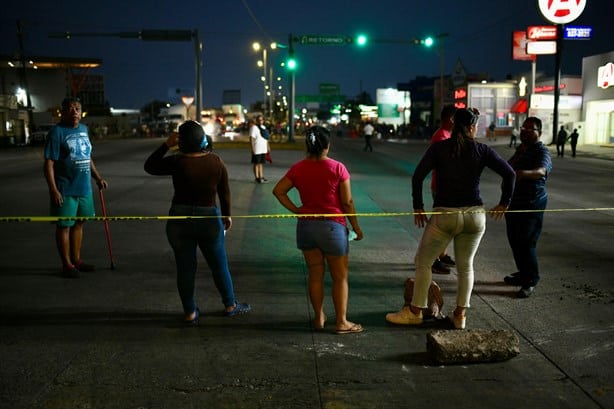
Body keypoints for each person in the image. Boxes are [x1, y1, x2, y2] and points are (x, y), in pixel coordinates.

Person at [385, 108, 515, 329]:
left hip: (445, 214)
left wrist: (418, 206)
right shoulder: (482, 150)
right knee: (466, 266)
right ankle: (459, 316)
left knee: (423, 261)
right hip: (475, 216)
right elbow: (510, 173)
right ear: (472, 127)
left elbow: (418, 176)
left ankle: (415, 311)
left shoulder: (439, 148)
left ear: (453, 127)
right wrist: (504, 202)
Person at [144, 120, 250, 324]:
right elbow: (224, 193)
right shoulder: (216, 161)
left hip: (179, 220)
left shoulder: (177, 161)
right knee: (219, 264)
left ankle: (190, 312)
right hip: (209, 220)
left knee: (185, 267)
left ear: (181, 141)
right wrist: (227, 215)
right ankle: (230, 305)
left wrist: (166, 145)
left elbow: (150, 166)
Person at [272, 126, 365, 334]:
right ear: (327, 145)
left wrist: (297, 210)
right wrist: (356, 228)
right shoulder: (338, 168)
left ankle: (319, 318)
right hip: (332, 228)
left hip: (306, 228)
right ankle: (341, 322)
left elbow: (278, 191)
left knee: (315, 275)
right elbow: (348, 202)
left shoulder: (298, 168)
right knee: (340, 277)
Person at [43, 97, 108, 278]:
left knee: (79, 224)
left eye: (77, 109)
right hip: (65, 189)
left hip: (84, 188)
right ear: (62, 112)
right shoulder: (57, 132)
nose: (74, 112)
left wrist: (98, 177)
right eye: (70, 109)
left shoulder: (84, 129)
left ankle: (76, 260)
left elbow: (87, 157)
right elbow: (49, 164)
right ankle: (66, 265)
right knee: (64, 226)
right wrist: (53, 190)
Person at [503, 117, 552, 298]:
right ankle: (523, 273)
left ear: (539, 132)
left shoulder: (542, 151)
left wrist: (522, 173)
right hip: (514, 202)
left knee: (526, 242)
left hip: (531, 204)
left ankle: (531, 280)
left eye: (531, 128)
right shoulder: (521, 149)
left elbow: (541, 171)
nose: (525, 130)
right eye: (524, 127)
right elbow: (508, 165)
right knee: (515, 240)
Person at [429, 105, 457, 275]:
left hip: (444, 186)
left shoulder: (446, 135)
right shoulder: (441, 137)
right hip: (442, 187)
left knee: (446, 225)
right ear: (450, 119)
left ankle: (442, 254)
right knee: (441, 226)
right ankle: (434, 259)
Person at [250, 115, 270, 183]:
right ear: (256, 120)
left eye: (261, 120)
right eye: (259, 120)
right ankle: (257, 178)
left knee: (261, 163)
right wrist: (252, 148)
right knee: (256, 163)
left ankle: (261, 176)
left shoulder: (263, 127)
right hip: (257, 149)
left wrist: (268, 146)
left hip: (263, 149)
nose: (260, 121)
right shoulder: (254, 128)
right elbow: (252, 138)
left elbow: (266, 139)